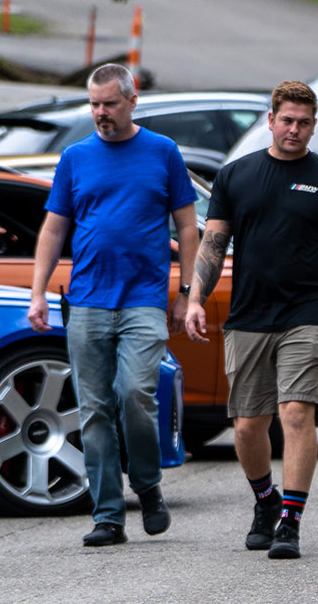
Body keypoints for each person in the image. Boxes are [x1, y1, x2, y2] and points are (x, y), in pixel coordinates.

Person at [184, 81, 318, 560]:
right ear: (271, 121)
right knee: (247, 426)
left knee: (295, 413)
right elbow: (213, 245)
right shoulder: (235, 176)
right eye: (287, 120)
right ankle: (265, 500)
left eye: (304, 122)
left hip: (307, 315)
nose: (294, 129)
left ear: (314, 127)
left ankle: (290, 521)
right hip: (249, 316)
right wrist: (195, 300)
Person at [28, 63, 200, 548]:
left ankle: (146, 484)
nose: (101, 113)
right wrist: (38, 292)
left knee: (135, 396)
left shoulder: (163, 152)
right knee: (94, 410)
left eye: (109, 103)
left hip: (144, 298)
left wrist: (187, 292)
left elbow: (188, 227)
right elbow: (54, 229)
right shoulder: (75, 157)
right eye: (94, 104)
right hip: (86, 301)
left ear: (132, 100)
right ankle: (107, 515)